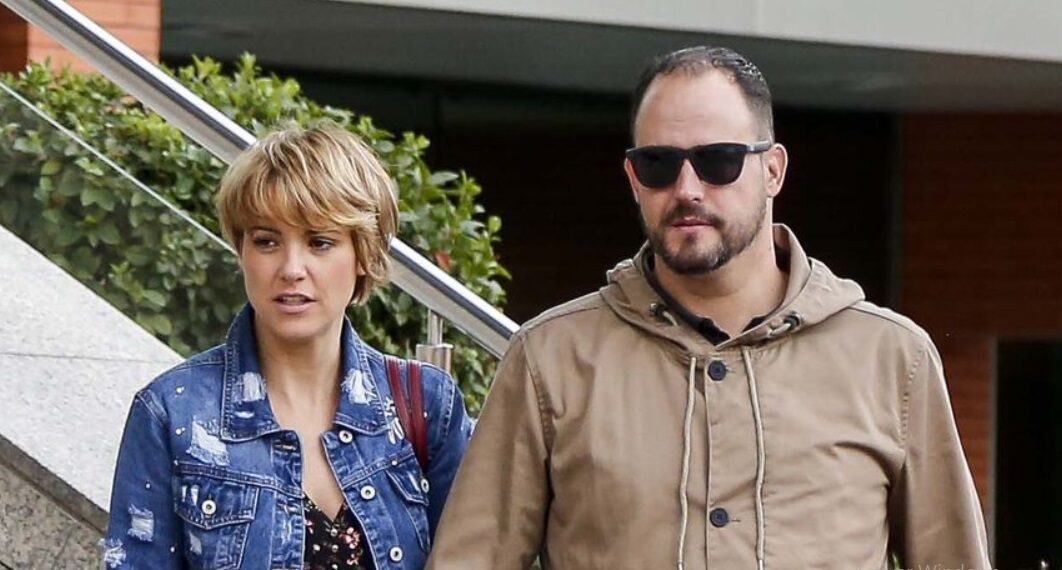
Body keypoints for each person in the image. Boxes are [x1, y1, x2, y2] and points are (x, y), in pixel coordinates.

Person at [427, 46, 991, 569]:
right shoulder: (551, 359)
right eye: (658, 163)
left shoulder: (892, 359)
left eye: (718, 160)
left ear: (773, 170)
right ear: (632, 178)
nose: (688, 188)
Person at [101, 123, 473, 569]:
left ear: (363, 254)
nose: (292, 268)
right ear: (242, 251)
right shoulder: (174, 411)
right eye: (266, 241)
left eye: (320, 242)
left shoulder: (425, 404)